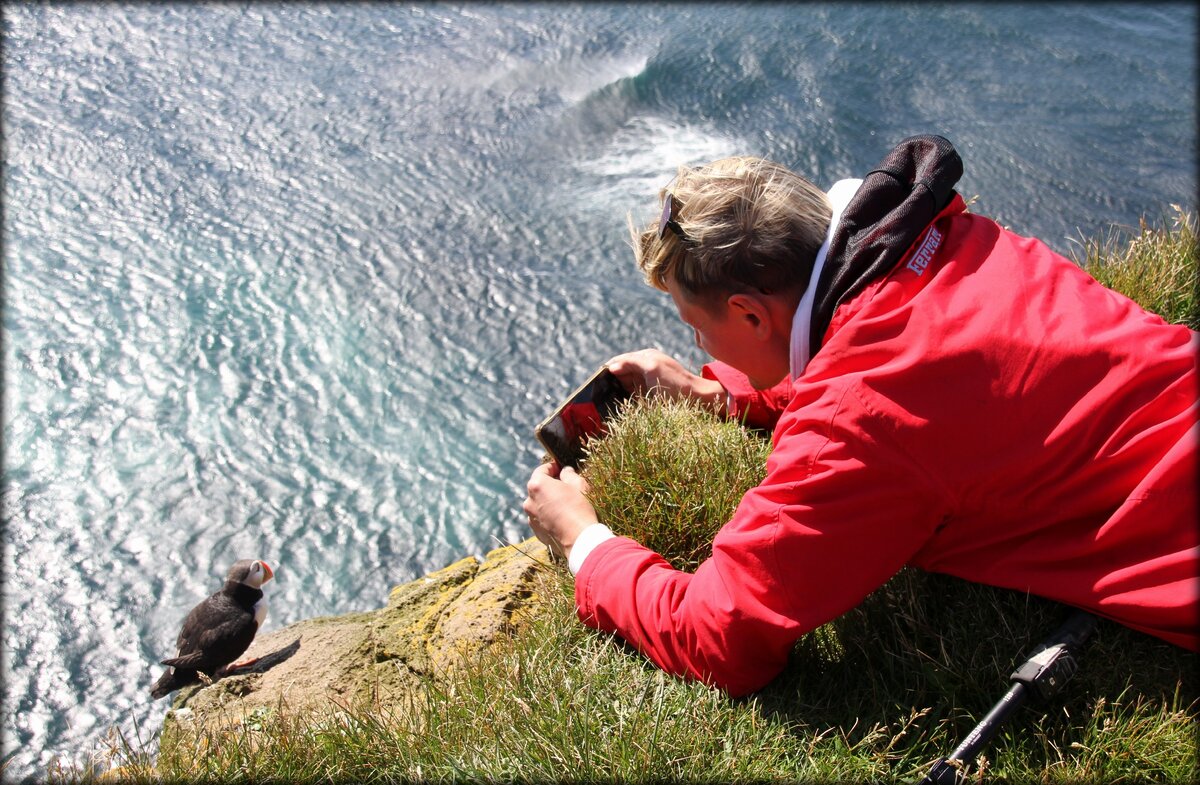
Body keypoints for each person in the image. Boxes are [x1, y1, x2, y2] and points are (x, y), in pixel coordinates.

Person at [523, 134, 1199, 697]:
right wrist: (725, 396)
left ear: (752, 314)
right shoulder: (943, 237)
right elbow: (909, 369)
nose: (696, 346)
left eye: (696, 329)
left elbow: (717, 635)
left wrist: (584, 541)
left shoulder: (856, 418)